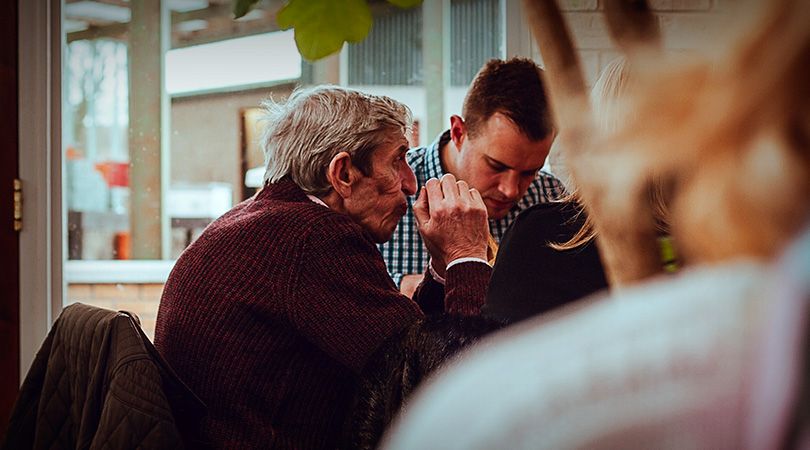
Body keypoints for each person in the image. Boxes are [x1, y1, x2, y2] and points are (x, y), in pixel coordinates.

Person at [154, 85, 495, 450]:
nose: (411, 184)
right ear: (343, 173)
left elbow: (411, 343)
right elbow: (454, 389)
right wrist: (466, 254)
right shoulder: (312, 239)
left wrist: (443, 269)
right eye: (398, 161)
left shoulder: (266, 220)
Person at [379, 57, 565, 297]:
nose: (511, 190)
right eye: (496, 165)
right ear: (458, 132)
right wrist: (404, 287)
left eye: (530, 172)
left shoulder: (552, 197)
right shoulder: (387, 188)